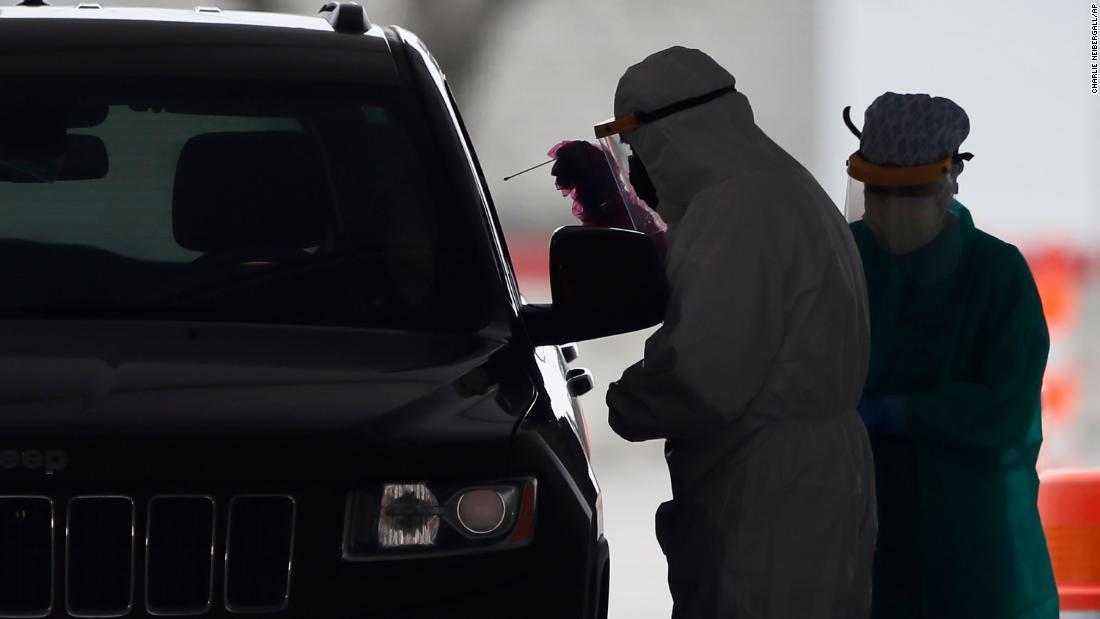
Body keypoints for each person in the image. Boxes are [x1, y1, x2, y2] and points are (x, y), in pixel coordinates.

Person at [594, 46, 877, 619]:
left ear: (671, 137)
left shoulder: (735, 209)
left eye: (638, 148)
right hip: (815, 477)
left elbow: (704, 376)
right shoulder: (782, 186)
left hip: (770, 490)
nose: (638, 169)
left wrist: (627, 402)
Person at [843, 92, 1059, 619]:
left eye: (910, 191)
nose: (892, 207)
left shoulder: (997, 274)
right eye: (878, 190)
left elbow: (1005, 408)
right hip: (857, 526)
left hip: (968, 538)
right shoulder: (840, 260)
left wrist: (896, 413)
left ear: (951, 178)